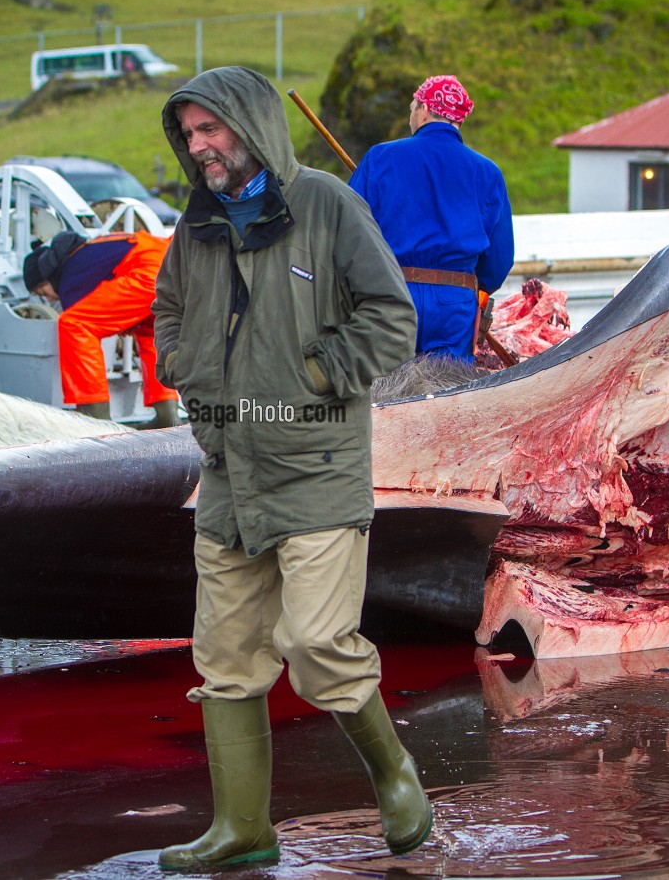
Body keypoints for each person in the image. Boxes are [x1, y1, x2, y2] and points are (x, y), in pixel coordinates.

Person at [151, 66, 427, 870]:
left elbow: (392, 318)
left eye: (213, 129)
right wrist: (183, 360)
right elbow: (169, 307)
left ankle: (394, 771)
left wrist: (313, 374)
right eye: (190, 133)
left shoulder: (327, 205)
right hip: (228, 475)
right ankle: (243, 827)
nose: (200, 146)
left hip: (316, 469)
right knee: (227, 657)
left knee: (314, 643)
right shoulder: (195, 224)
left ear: (252, 126)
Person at [348, 74, 515, 362]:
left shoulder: (380, 158)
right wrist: (472, 287)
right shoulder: (487, 172)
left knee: (384, 395)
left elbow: (348, 232)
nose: (411, 115)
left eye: (412, 107)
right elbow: (499, 259)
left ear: (424, 110)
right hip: (454, 302)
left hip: (391, 293)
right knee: (447, 394)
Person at [23, 229, 178, 428]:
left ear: (48, 277)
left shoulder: (70, 278)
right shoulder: (94, 250)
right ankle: (168, 415)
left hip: (147, 271)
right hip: (171, 262)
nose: (49, 299)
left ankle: (95, 418)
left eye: (43, 292)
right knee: (150, 332)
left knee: (74, 324)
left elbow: (88, 322)